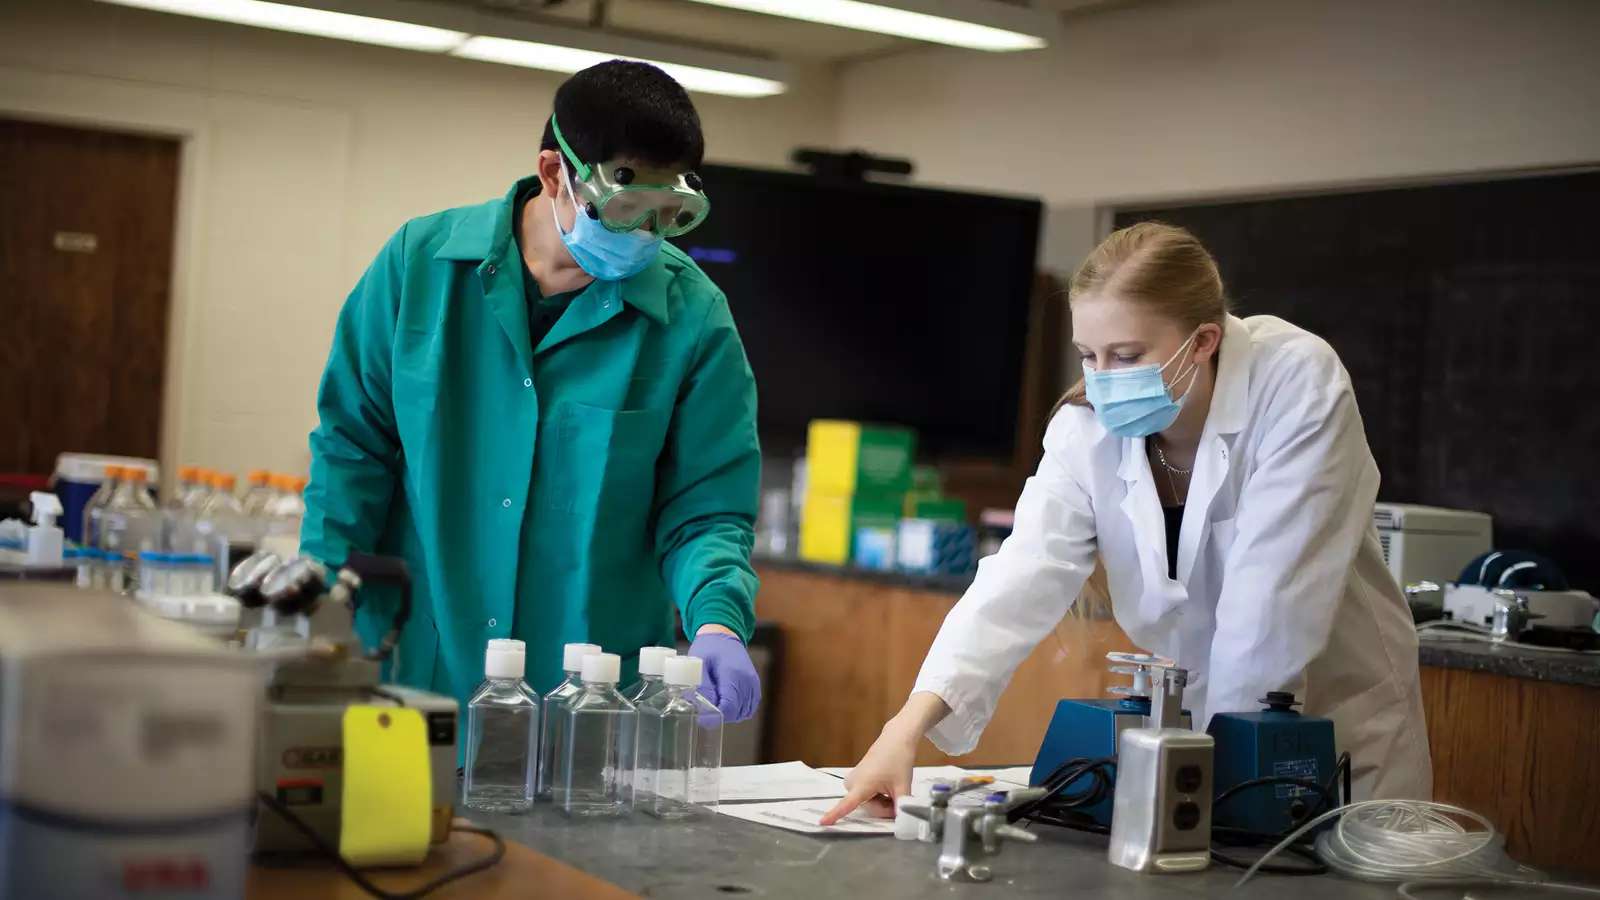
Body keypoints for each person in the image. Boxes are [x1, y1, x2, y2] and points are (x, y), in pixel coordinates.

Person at [822, 222, 1430, 824]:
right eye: (1089, 356)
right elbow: (1017, 580)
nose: (1104, 380)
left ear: (1203, 341)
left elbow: (1270, 611)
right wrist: (905, 727)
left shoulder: (1295, 384)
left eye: (1128, 356)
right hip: (1196, 739)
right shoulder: (1084, 431)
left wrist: (1197, 779)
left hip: (1337, 732)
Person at [301, 61, 762, 726]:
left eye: (664, 218)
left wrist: (717, 620)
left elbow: (706, 511)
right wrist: (321, 584)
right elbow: (352, 447)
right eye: (625, 211)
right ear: (554, 174)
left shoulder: (691, 317)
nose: (643, 239)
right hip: (421, 673)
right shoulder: (419, 268)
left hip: (593, 705)